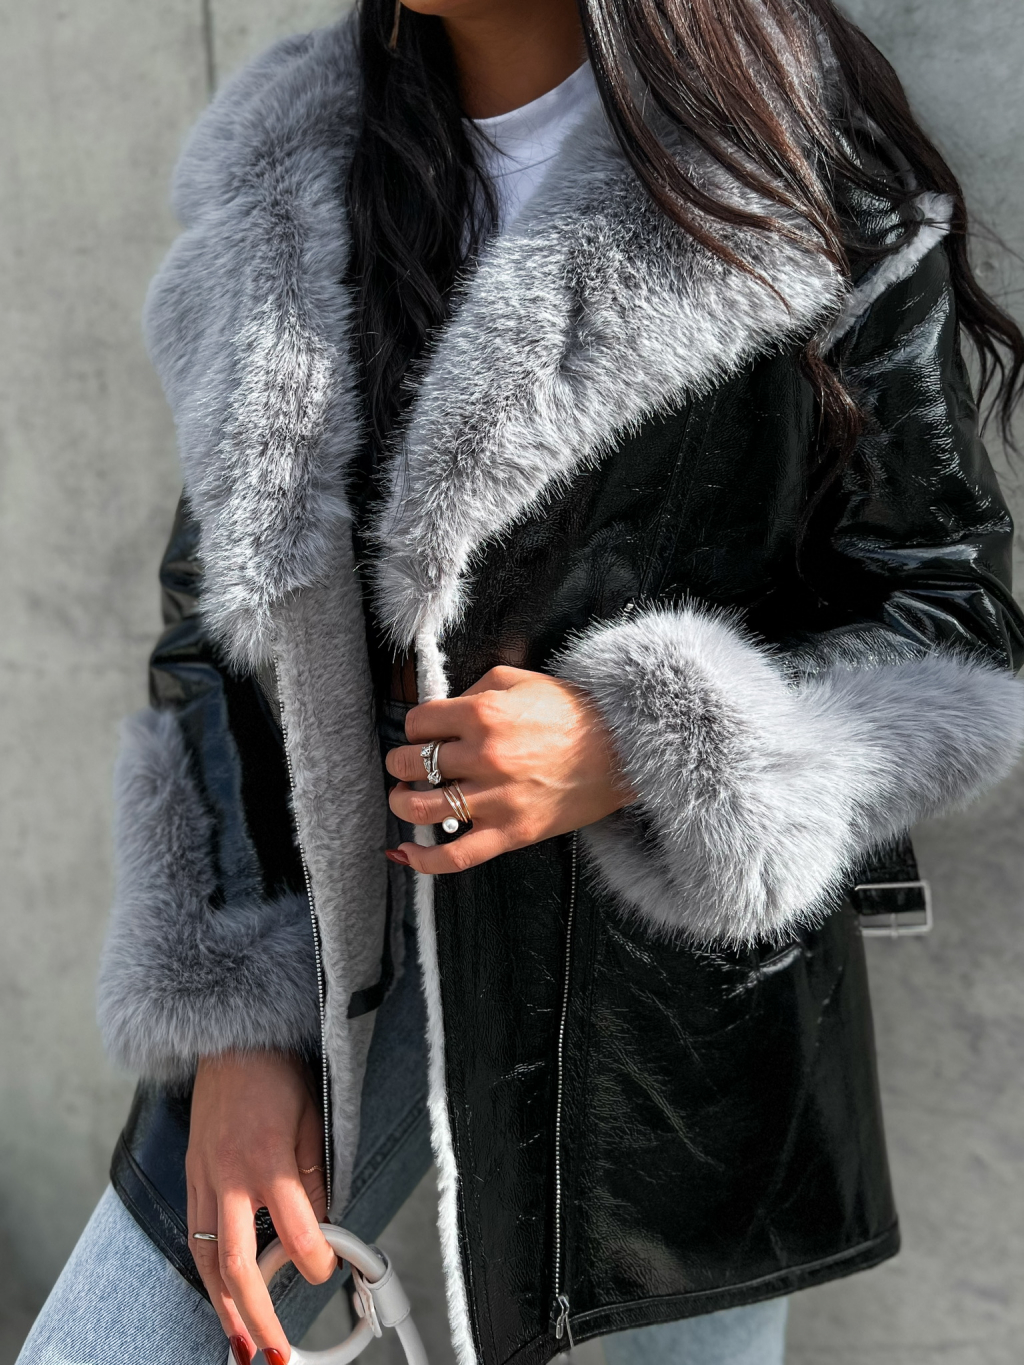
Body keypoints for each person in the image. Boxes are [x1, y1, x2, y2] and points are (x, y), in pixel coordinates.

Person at [18, 1, 1024, 1363]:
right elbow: (222, 624)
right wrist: (238, 1025)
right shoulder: (291, 164)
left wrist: (637, 741)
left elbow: (951, 620)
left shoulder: (796, 163)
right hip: (350, 938)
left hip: (680, 1014)